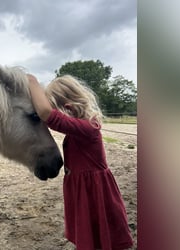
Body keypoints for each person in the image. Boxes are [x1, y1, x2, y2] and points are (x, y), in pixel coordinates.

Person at [27, 74, 134, 250]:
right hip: (84, 190)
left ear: (68, 108)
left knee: (100, 235)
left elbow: (47, 114)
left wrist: (31, 81)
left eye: (57, 110)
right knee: (90, 235)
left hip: (94, 192)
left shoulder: (88, 128)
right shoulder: (80, 130)